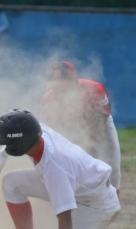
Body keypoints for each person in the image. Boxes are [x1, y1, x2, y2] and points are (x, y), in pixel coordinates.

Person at [0, 109, 123, 229]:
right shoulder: (36, 132)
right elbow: (21, 134)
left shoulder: (55, 168)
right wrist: (2, 153)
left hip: (97, 205)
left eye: (7, 143)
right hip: (79, 187)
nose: (5, 145)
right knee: (12, 183)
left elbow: (65, 220)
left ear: (18, 146)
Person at [40, 60, 122, 194]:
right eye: (56, 87)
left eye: (64, 86)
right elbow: (57, 133)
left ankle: (113, 202)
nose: (60, 91)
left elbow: (100, 121)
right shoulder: (48, 101)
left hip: (100, 127)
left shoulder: (94, 90)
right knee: (74, 169)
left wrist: (90, 148)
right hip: (73, 131)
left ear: (75, 81)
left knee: (111, 167)